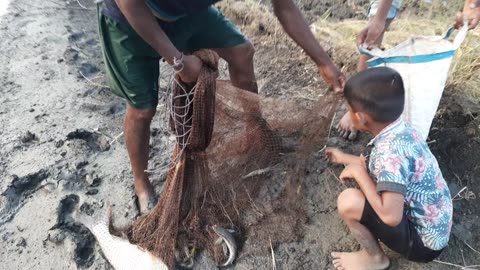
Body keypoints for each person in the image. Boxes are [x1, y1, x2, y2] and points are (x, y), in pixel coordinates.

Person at [97, 0, 354, 214]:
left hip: (189, 13)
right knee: (143, 109)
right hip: (131, 16)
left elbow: (285, 8)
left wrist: (323, 62)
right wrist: (177, 60)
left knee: (242, 52)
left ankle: (256, 132)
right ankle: (141, 183)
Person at [326, 67, 452, 270]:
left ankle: (375, 259)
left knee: (348, 201)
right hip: (437, 224)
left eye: (349, 110)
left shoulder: (389, 154)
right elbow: (381, 166)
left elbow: (390, 217)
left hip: (423, 244)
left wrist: (359, 174)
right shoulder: (401, 131)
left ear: (362, 117)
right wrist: (344, 158)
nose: (347, 114)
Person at [337, 0, 480, 140]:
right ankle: (359, 103)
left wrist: (473, 6)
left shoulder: (385, 157)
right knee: (378, 18)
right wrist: (379, 19)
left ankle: (358, 106)